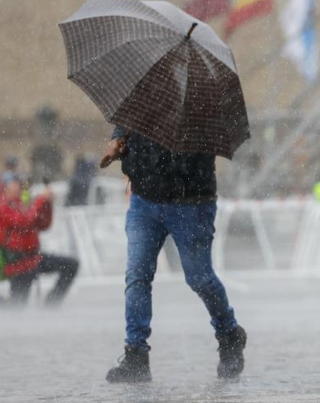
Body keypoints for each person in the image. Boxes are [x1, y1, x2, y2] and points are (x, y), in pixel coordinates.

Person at [100, 126, 246, 383]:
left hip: (191, 203)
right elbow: (127, 122)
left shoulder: (199, 102)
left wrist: (170, 156)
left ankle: (229, 334)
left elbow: (196, 160)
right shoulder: (145, 92)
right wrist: (118, 140)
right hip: (144, 200)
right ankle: (136, 354)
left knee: (199, 278)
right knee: (137, 274)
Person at [0, 175, 79, 306]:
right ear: (5, 187)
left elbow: (43, 224)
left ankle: (51, 306)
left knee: (71, 265)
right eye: (15, 183)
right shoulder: (2, 207)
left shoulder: (20, 204)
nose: (20, 186)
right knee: (15, 309)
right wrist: (41, 199)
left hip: (33, 259)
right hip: (18, 265)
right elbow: (24, 221)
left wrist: (47, 204)